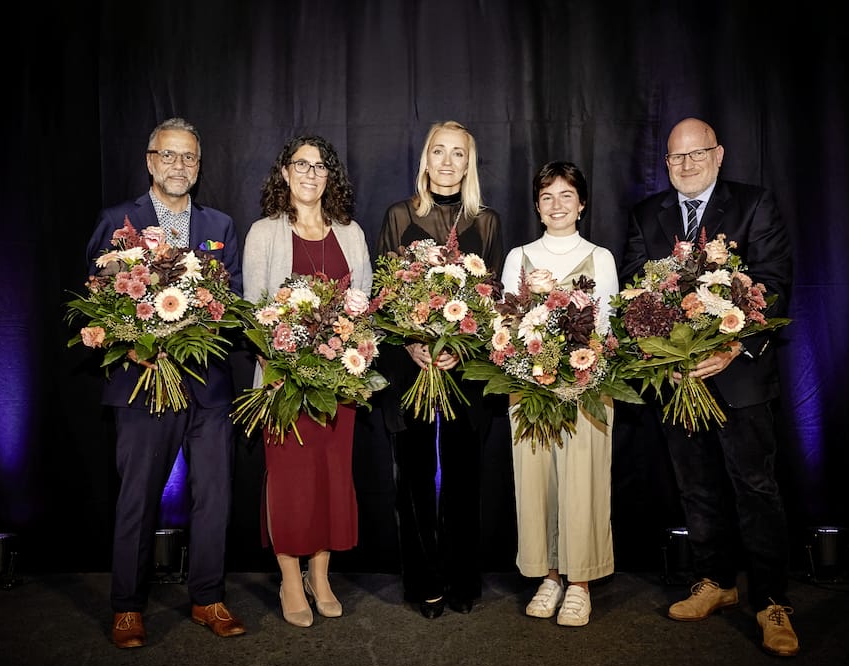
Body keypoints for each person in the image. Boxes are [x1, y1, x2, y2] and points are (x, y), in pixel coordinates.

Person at [621, 117, 797, 656]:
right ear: (666, 163)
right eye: (676, 158)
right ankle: (715, 583)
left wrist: (730, 348)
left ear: (718, 155)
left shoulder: (754, 203)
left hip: (739, 377)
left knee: (755, 489)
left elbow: (774, 284)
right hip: (676, 380)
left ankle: (771, 602)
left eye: (697, 154)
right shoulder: (646, 213)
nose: (687, 164)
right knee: (694, 487)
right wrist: (663, 355)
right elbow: (633, 292)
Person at [85, 117, 246, 648]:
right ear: (150, 160)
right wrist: (130, 341)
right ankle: (128, 607)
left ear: (199, 167)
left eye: (190, 158)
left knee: (214, 496)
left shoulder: (220, 225)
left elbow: (233, 301)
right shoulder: (117, 220)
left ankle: (208, 597)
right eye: (170, 156)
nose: (180, 166)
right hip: (142, 379)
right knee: (138, 497)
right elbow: (97, 297)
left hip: (208, 385)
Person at [242, 134, 372, 628]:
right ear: (284, 173)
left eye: (320, 167)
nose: (310, 174)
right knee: (291, 483)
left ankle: (321, 576)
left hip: (339, 384)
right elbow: (254, 314)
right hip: (284, 384)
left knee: (332, 481)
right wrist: (281, 366)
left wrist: (353, 354)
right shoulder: (264, 234)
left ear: (330, 177)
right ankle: (290, 580)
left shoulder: (351, 232)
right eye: (301, 165)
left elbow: (365, 307)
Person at [376, 120, 503, 618]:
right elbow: (385, 296)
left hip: (464, 370)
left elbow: (493, 305)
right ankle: (423, 581)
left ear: (469, 164)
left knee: (464, 476)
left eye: (458, 153)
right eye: (439, 151)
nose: (447, 161)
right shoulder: (398, 215)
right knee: (412, 478)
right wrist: (410, 341)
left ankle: (462, 577)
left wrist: (461, 348)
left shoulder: (487, 222)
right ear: (425, 159)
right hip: (411, 367)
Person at [499, 161, 619, 627]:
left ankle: (581, 582)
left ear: (582, 203)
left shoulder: (601, 257)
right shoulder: (519, 257)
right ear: (537, 206)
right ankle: (548, 574)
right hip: (529, 387)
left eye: (566, 195)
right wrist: (532, 364)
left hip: (586, 388)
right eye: (547, 197)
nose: (557, 205)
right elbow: (507, 328)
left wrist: (579, 365)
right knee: (537, 483)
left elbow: (607, 330)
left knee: (583, 482)